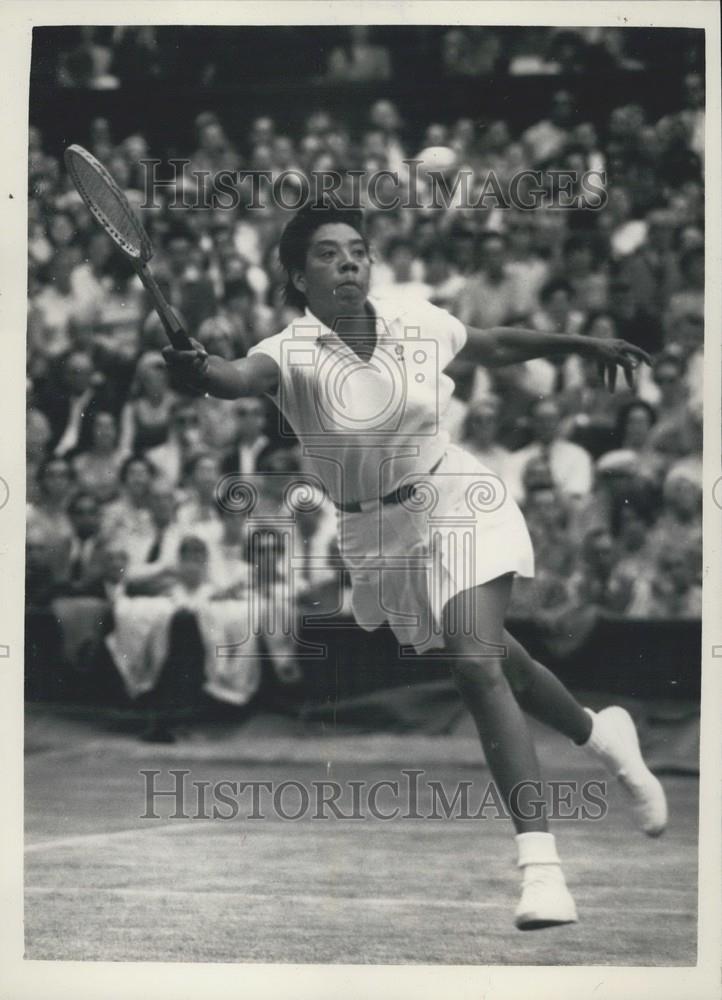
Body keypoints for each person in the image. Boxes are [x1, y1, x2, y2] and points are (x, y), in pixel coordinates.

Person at [163, 202, 666, 931]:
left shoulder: (410, 317)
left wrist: (584, 343)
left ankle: (542, 869)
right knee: (505, 666)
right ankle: (603, 737)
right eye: (330, 255)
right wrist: (198, 372)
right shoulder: (289, 350)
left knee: (475, 662)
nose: (349, 264)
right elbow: (235, 376)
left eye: (358, 251)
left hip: (457, 496)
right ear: (299, 276)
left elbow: (490, 342)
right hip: (377, 533)